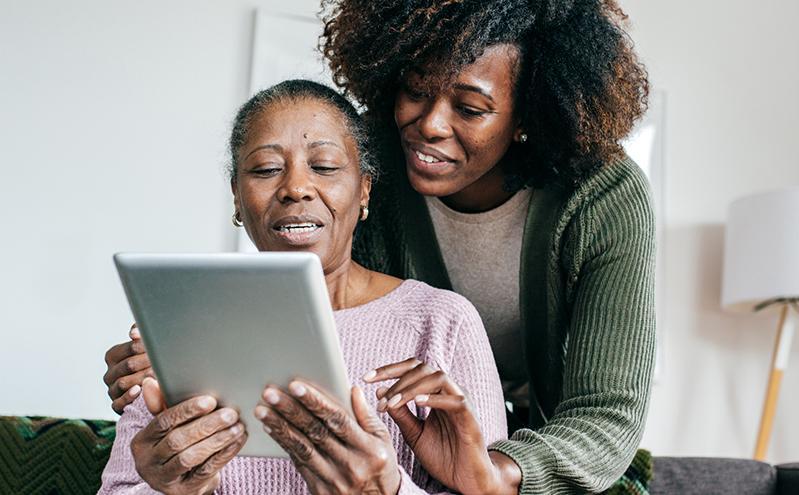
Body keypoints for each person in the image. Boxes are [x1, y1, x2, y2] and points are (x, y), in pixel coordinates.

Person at [105, 0, 657, 492]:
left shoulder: (602, 197)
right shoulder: (378, 169)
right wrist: (174, 355)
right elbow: (338, 317)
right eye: (416, 91)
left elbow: (606, 413)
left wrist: (496, 474)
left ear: (526, 118)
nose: (429, 126)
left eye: (469, 108)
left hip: (540, 451)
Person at [99, 79, 508, 495]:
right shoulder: (179, 325)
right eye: (266, 169)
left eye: (325, 166)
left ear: (364, 189)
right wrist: (170, 490)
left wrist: (386, 490)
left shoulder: (442, 321)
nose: (296, 188)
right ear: (237, 197)